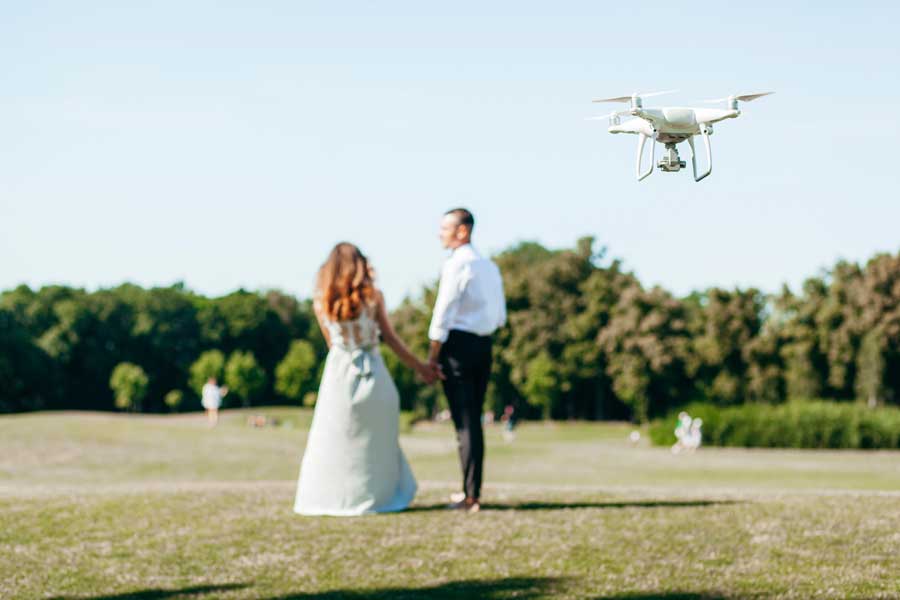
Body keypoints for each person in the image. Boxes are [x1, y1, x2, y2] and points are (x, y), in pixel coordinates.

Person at [294, 243, 437, 516]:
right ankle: (378, 497)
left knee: (334, 441)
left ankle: (336, 498)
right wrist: (422, 367)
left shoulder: (321, 300)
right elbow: (392, 341)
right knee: (376, 443)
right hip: (374, 373)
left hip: (339, 376)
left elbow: (331, 344)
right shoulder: (373, 298)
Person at [427, 208, 507, 513]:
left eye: (445, 227)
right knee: (472, 418)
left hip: (458, 346)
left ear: (463, 231)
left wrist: (433, 357)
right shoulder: (490, 267)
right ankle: (471, 490)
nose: (440, 233)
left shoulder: (457, 264)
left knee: (465, 421)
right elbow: (500, 316)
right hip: (484, 345)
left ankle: (470, 496)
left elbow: (442, 314)